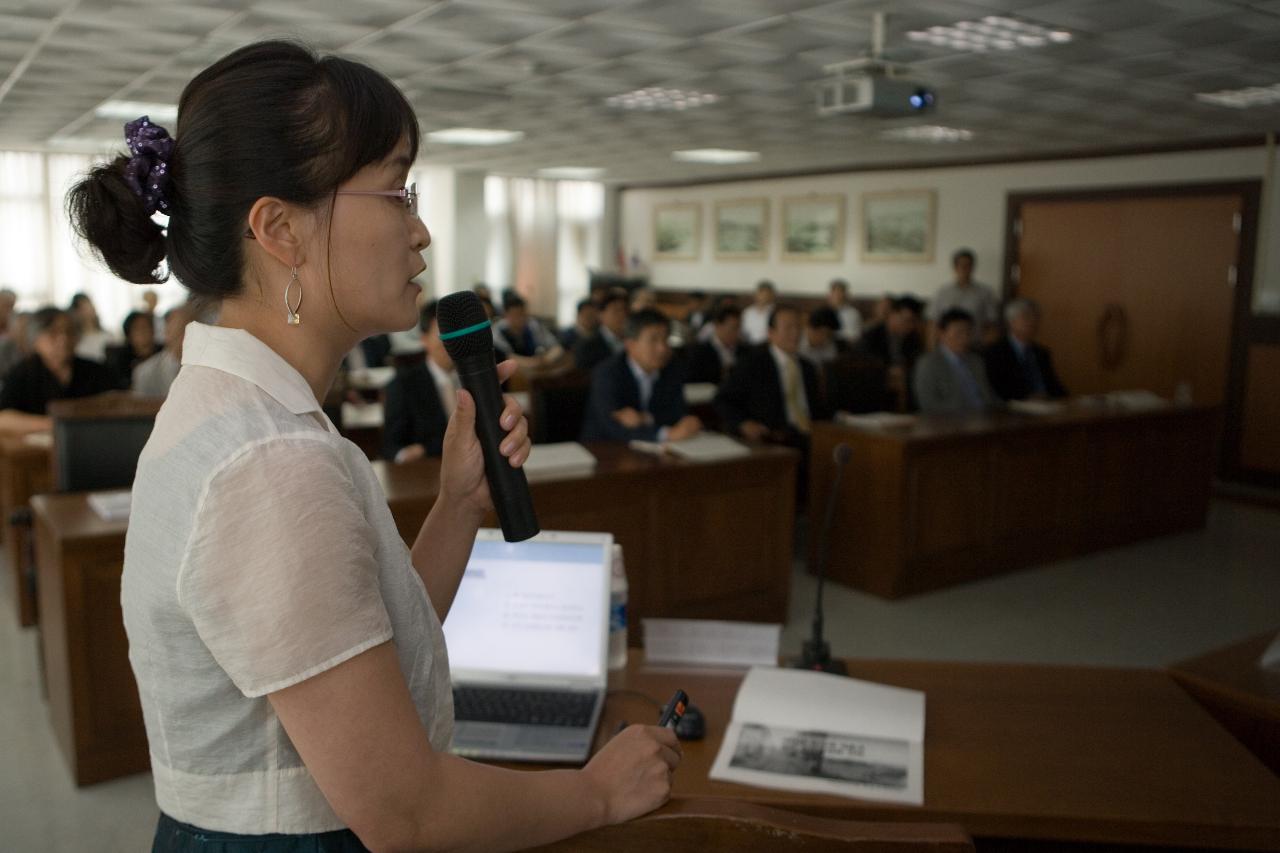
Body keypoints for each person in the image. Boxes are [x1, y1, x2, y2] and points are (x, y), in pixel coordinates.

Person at [68, 40, 677, 851]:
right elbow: (405, 810)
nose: (421, 231)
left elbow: (360, 651)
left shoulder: (252, 414)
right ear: (279, 228)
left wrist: (460, 502)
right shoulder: (267, 464)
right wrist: (596, 794)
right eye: (398, 190)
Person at [581, 309, 700, 443]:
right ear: (630, 345)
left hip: (657, 451)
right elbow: (613, 426)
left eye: (666, 339)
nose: (662, 348)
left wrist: (646, 418)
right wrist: (665, 434)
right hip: (607, 450)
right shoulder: (607, 373)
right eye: (653, 340)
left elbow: (677, 414)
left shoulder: (672, 369)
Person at [715, 304, 826, 448]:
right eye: (788, 328)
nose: (795, 333)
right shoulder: (753, 364)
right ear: (771, 333)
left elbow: (817, 409)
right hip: (774, 438)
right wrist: (743, 423)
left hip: (812, 435)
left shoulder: (808, 368)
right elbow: (722, 400)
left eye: (799, 327)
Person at [0, 307, 116, 433]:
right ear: (35, 339)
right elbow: (4, 418)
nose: (63, 339)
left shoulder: (95, 370)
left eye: (70, 332)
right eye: (53, 333)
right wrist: (56, 425)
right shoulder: (23, 373)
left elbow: (118, 404)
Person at [383, 300, 456, 463]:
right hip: (429, 471)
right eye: (443, 334)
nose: (451, 341)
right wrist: (407, 454)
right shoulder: (403, 384)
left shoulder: (474, 378)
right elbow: (391, 447)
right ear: (424, 340)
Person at [913, 308, 999, 414]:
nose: (965, 337)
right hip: (952, 422)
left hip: (985, 417)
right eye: (959, 333)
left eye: (968, 332)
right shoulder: (928, 363)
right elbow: (928, 404)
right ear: (941, 334)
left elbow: (989, 396)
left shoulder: (976, 361)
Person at [983, 298, 1067, 401]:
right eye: (1026, 317)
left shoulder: (1041, 352)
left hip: (1048, 404)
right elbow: (999, 388)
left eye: (1036, 317)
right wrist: (1027, 398)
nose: (1033, 321)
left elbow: (1054, 385)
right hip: (1014, 408)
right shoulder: (996, 352)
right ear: (1011, 322)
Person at [857, 296, 925, 409]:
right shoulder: (872, 336)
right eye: (907, 320)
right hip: (875, 389)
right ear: (892, 315)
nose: (910, 326)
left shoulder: (913, 338)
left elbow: (917, 364)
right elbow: (864, 366)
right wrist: (889, 371)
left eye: (914, 322)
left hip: (905, 388)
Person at [926, 249, 1000, 347]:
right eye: (961, 265)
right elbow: (933, 322)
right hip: (947, 346)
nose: (965, 268)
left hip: (975, 345)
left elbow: (991, 323)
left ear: (973, 267)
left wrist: (987, 346)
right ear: (955, 267)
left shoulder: (985, 292)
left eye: (968, 265)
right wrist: (931, 347)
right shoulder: (942, 292)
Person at [133, 305, 193, 397]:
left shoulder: (207, 367)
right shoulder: (145, 373)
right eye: (181, 330)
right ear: (166, 332)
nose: (186, 337)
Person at [493, 292, 565, 369]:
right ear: (506, 315)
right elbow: (506, 357)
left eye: (523, 314)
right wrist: (533, 363)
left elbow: (556, 347)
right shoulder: (498, 331)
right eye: (516, 314)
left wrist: (547, 359)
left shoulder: (533, 326)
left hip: (536, 371)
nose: (520, 318)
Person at [685, 302, 743, 385]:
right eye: (733, 328)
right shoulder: (700, 352)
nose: (737, 333)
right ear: (718, 326)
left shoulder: (743, 351)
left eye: (739, 328)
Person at [572, 288, 628, 372]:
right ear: (601, 315)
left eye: (625, 310)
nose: (622, 315)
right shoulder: (587, 346)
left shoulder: (634, 341)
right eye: (616, 311)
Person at [108, 310, 158, 388]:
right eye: (137, 329)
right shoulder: (122, 360)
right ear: (129, 335)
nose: (143, 332)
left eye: (146, 327)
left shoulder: (165, 352)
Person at [69, 292, 113, 362]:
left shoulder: (107, 336)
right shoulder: (73, 340)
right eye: (82, 308)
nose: (87, 311)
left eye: (87, 306)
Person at [740, 279, 776, 345]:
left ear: (772, 295)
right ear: (756, 294)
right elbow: (742, 332)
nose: (764, 296)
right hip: (749, 345)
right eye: (762, 293)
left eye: (767, 293)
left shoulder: (775, 312)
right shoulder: (748, 312)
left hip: (768, 346)